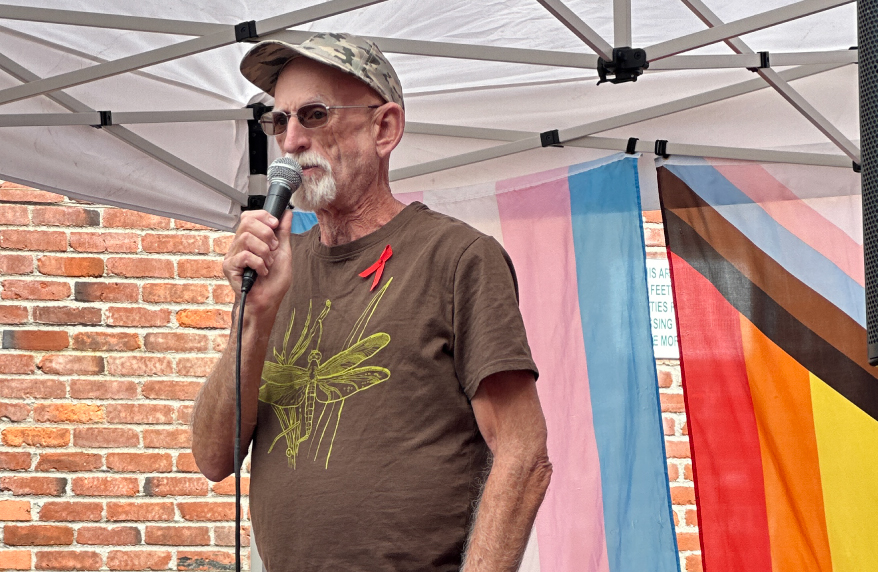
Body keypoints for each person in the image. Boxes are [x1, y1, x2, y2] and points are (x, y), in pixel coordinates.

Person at [191, 32, 551, 572]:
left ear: (384, 128)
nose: (289, 141)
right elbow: (213, 458)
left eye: (313, 115)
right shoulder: (279, 269)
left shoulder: (457, 258)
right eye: (278, 120)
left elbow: (524, 455)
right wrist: (254, 319)